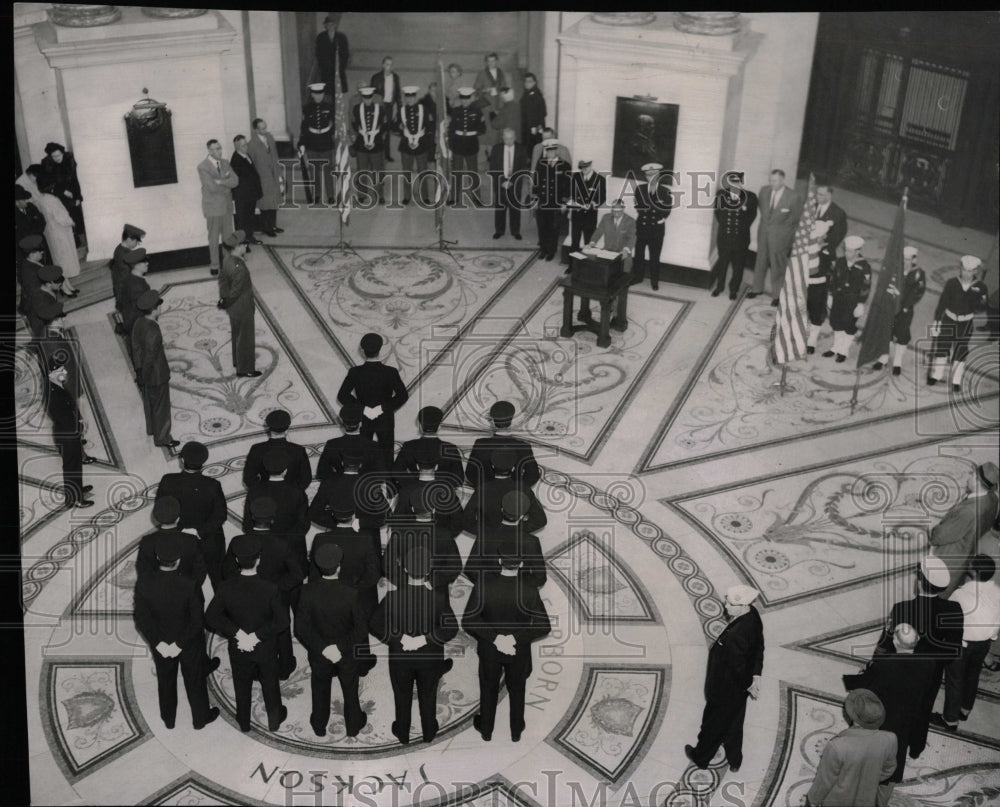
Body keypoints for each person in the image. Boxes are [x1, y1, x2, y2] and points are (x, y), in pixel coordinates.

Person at [876, 556, 964, 760]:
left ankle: (892, 747)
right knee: (923, 708)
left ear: (919, 582)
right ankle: (916, 747)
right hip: (930, 674)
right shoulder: (953, 610)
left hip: (900, 670)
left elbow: (886, 644)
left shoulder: (902, 609)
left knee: (895, 707)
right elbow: (954, 650)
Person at [462, 542, 551, 742]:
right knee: (517, 689)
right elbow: (544, 626)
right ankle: (516, 730)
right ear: (520, 564)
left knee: (488, 687)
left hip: (489, 650)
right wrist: (513, 638)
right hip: (518, 651)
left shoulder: (484, 584)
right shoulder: (529, 589)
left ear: (500, 561)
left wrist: (495, 638)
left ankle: (486, 730)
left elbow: (469, 620)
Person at [370, 546, 458, 744]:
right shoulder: (438, 598)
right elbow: (450, 628)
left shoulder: (392, 597)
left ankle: (402, 732)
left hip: (400, 658)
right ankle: (428, 731)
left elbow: (375, 624)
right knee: (428, 694)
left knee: (402, 694)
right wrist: (424, 639)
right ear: (428, 571)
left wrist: (399, 637)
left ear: (405, 570)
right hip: (430, 658)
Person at [133, 531, 219, 731]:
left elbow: (141, 619)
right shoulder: (189, 586)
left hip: (161, 643)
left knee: (166, 680)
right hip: (188, 642)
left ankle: (168, 719)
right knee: (195, 679)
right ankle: (201, 718)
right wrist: (179, 644)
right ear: (179, 560)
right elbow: (197, 621)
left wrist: (160, 643)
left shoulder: (144, 585)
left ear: (157, 558)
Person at [843, 623, 937, 802]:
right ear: (916, 641)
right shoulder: (929, 664)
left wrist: (853, 679)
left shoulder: (884, 665)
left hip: (882, 721)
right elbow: (925, 699)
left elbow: (867, 689)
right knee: (893, 767)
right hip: (906, 723)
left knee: (868, 761)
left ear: (895, 641)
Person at [206, 534, 289, 733]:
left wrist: (238, 634)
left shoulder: (225, 588)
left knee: (241, 683)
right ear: (259, 559)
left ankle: (243, 721)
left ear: (236, 561)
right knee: (270, 683)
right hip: (265, 647)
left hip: (238, 647)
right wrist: (257, 636)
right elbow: (283, 621)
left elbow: (210, 617)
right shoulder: (270, 588)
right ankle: (274, 720)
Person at [684, 585, 764, 772]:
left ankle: (701, 757)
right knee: (735, 723)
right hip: (739, 689)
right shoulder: (753, 615)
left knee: (712, 724)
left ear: (743, 606)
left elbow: (737, 668)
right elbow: (759, 647)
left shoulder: (737, 635)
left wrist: (746, 683)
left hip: (725, 689)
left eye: (730, 604)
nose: (725, 605)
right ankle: (735, 760)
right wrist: (755, 675)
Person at [223, 496, 303, 681]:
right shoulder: (282, 543)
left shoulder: (237, 542)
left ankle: (252, 668)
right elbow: (297, 575)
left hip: (245, 598)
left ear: (251, 517)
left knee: (248, 629)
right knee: (281, 632)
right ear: (273, 519)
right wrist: (277, 588)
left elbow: (226, 572)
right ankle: (284, 666)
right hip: (276, 597)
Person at [295, 543, 369, 738]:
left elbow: (301, 629)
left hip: (319, 653)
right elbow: (361, 629)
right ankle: (353, 726)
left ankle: (319, 724)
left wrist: (323, 648)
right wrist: (340, 647)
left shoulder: (306, 591)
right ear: (339, 566)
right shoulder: (351, 593)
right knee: (350, 689)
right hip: (346, 653)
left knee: (319, 687)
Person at [933, 555, 1000, 731]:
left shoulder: (961, 594)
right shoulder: (998, 593)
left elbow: (947, 619)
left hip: (962, 644)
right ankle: (965, 709)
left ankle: (950, 720)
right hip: (984, 643)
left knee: (955, 680)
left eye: (970, 566)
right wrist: (991, 639)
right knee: (972, 675)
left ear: (974, 572)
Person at [804, 689, 897, 807]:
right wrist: (867, 778)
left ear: (854, 718)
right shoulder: (890, 739)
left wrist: (811, 800)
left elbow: (824, 782)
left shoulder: (837, 746)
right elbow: (888, 769)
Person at [157, 441, 227, 588]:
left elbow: (162, 510)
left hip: (179, 541)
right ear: (204, 462)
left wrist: (181, 529)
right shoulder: (213, 485)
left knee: (186, 582)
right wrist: (199, 531)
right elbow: (221, 515)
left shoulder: (167, 481)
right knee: (219, 577)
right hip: (209, 541)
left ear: (182, 460)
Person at [926, 462, 999, 598]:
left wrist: (933, 532)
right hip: (970, 550)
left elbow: (940, 536)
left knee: (933, 590)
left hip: (951, 557)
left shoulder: (968, 511)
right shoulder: (993, 498)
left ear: (977, 480)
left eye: (972, 474)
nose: (968, 476)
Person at [337, 332, 408, 466]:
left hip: (363, 420)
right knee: (387, 459)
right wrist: (382, 408)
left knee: (363, 458)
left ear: (363, 350)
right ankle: (390, 487)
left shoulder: (355, 372)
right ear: (380, 349)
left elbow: (342, 396)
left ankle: (365, 486)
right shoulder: (390, 372)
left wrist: (362, 409)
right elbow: (402, 396)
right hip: (385, 420)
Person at [928, 255, 990, 390]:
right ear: (960, 269)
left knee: (960, 351)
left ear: (975, 272)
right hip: (948, 320)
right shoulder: (952, 283)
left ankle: (956, 380)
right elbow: (943, 302)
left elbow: (982, 308)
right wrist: (937, 320)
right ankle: (937, 375)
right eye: (964, 270)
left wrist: (981, 302)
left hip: (966, 323)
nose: (966, 273)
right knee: (942, 347)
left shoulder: (981, 287)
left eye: (970, 271)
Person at [464, 491, 547, 592]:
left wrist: (491, 584)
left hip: (490, 592)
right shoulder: (532, 541)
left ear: (502, 510)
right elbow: (540, 578)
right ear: (522, 516)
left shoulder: (485, 536)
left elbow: (470, 569)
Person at [132, 290, 179, 449]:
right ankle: (163, 438)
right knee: (161, 407)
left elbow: (136, 349)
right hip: (157, 375)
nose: (160, 309)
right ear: (154, 310)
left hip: (144, 373)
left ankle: (152, 429)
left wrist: (139, 373)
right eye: (158, 306)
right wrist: (144, 376)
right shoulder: (154, 330)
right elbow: (150, 358)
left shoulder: (139, 322)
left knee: (150, 403)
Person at [45, 357, 94, 509]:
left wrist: (79, 420)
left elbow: (70, 408)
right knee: (71, 465)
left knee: (75, 463)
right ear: (52, 373)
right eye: (61, 370)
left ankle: (76, 490)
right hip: (67, 435)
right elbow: (64, 418)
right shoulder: (53, 393)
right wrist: (78, 428)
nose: (65, 372)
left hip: (68, 432)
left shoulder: (57, 385)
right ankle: (75, 498)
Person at [463, 450, 547, 537]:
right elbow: (540, 520)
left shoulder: (482, 489)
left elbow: (465, 521)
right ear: (513, 468)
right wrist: (515, 529)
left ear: (492, 466)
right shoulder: (524, 489)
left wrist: (488, 533)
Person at [578, 199, 637, 323]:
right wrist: (592, 243)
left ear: (623, 209)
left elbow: (632, 238)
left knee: (618, 287)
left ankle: (616, 314)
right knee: (604, 282)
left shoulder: (630, 221)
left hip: (623, 257)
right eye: (613, 211)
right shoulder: (606, 218)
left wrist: (626, 250)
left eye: (618, 211)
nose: (615, 214)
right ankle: (608, 309)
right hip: (607, 254)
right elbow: (598, 232)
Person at [748, 169, 802, 304]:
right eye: (770, 180)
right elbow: (763, 211)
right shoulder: (764, 191)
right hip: (763, 234)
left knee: (778, 265)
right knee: (760, 261)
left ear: (783, 180)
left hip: (780, 238)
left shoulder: (793, 197)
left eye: (775, 180)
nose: (772, 183)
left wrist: (787, 239)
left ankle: (777, 295)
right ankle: (756, 288)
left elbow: (795, 220)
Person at [872, 246, 926, 374]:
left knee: (902, 334)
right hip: (891, 306)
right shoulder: (896, 269)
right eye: (903, 259)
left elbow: (918, 292)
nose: (905, 262)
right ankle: (883, 357)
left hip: (905, 309)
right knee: (887, 330)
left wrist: (906, 305)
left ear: (914, 259)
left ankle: (897, 361)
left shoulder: (918, 273)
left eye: (908, 259)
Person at [466, 401, 540, 489]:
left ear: (493, 422)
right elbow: (533, 475)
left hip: (486, 493)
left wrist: (486, 488)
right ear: (512, 421)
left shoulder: (480, 443)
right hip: (513, 496)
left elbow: (470, 473)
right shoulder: (523, 446)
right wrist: (516, 489)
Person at [135, 496, 208, 585]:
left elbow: (143, 573)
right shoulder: (191, 540)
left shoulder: (147, 541)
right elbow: (201, 571)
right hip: (189, 593)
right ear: (178, 518)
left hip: (158, 593)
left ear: (156, 517)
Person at [218, 231, 261, 378]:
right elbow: (236, 291)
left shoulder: (226, 259)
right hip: (243, 307)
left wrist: (224, 299)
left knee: (237, 334)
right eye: (244, 244)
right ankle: (245, 369)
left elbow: (222, 280)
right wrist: (228, 300)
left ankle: (237, 361)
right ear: (238, 246)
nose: (246, 246)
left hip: (233, 309)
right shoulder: (240, 267)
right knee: (246, 338)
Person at [823, 235, 871, 363]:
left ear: (858, 251)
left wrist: (861, 303)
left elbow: (866, 287)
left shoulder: (864, 267)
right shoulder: (839, 262)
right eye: (845, 250)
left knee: (848, 324)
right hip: (838, 297)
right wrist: (829, 295)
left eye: (850, 251)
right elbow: (832, 279)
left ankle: (844, 351)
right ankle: (835, 348)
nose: (846, 253)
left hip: (852, 301)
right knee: (836, 321)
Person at [392, 406, 464, 490]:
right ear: (440, 426)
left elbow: (396, 471)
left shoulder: (409, 446)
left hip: (413, 492)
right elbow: (459, 479)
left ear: (419, 426)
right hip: (440, 495)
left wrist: (415, 484)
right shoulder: (450, 448)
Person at [710, 171, 758, 300]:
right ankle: (719, 287)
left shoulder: (751, 197)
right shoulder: (721, 195)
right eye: (732, 183)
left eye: (737, 182)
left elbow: (751, 217)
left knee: (738, 266)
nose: (734, 186)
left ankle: (733, 290)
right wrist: (727, 226)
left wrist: (739, 228)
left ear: (741, 183)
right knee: (722, 263)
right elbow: (718, 214)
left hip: (740, 238)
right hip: (725, 236)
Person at [241, 450, 309, 538]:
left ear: (266, 469)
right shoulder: (298, 492)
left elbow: (247, 523)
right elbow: (304, 524)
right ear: (285, 471)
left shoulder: (254, 491)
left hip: (261, 542)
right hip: (289, 544)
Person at [243, 409, 312, 491]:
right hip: (292, 495)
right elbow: (306, 479)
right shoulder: (298, 450)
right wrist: (294, 492)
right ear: (287, 429)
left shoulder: (256, 449)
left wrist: (262, 492)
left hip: (265, 497)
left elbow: (248, 479)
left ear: (268, 428)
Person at [198, 139, 239, 277]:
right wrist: (226, 186)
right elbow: (211, 187)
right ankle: (214, 265)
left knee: (228, 236)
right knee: (214, 238)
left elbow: (235, 181)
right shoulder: (203, 167)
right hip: (213, 208)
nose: (219, 151)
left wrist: (221, 181)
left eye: (220, 148)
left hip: (226, 206)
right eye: (216, 149)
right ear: (209, 151)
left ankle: (227, 263)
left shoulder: (225, 163)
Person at [316, 403, 385, 480]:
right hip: (363, 489)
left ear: (343, 424)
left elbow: (321, 473)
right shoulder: (373, 446)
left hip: (340, 489)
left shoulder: (332, 444)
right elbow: (380, 475)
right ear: (361, 424)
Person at [37, 176, 80, 296]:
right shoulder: (51, 200)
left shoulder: (43, 198)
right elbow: (61, 217)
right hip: (60, 232)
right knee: (63, 261)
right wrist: (71, 221)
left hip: (53, 233)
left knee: (59, 260)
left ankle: (67, 286)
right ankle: (64, 289)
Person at [632, 163, 673, 290]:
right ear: (646, 177)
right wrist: (653, 209)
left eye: (654, 175)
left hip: (656, 229)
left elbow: (667, 209)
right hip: (642, 227)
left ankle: (654, 281)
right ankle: (637, 277)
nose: (651, 178)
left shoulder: (665, 191)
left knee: (655, 256)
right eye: (649, 175)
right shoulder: (640, 189)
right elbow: (639, 207)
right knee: (639, 255)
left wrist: (661, 217)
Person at [533, 139, 570, 262]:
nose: (550, 153)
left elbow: (567, 186)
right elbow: (536, 182)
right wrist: (535, 199)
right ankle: (543, 250)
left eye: (552, 150)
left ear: (556, 151)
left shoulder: (564, 166)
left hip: (556, 202)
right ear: (545, 151)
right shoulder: (541, 164)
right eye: (548, 151)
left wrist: (564, 202)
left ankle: (551, 251)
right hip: (543, 201)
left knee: (553, 228)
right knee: (542, 226)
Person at [488, 127, 529, 240]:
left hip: (515, 184)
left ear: (515, 138)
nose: (509, 141)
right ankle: (499, 230)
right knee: (500, 207)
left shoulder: (521, 149)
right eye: (506, 139)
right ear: (502, 138)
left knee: (515, 207)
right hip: (501, 183)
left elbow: (523, 168)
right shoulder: (496, 149)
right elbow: (493, 168)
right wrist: (502, 182)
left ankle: (515, 231)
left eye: (511, 139)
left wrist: (512, 182)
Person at [41, 142, 85, 245]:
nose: (56, 158)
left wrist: (78, 196)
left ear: (62, 153)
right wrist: (62, 191)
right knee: (65, 220)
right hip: (58, 198)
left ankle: (82, 242)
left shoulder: (69, 161)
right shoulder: (47, 165)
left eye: (58, 155)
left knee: (77, 219)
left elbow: (75, 180)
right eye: (53, 156)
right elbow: (45, 186)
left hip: (72, 195)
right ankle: (73, 244)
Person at [299, 83, 336, 205]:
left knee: (327, 171)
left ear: (323, 94)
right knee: (314, 171)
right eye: (316, 94)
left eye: (321, 94)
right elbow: (304, 127)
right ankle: (317, 195)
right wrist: (302, 143)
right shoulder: (307, 108)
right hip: (312, 144)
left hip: (326, 144)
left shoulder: (330, 107)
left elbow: (334, 125)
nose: (318, 96)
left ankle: (330, 195)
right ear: (312, 95)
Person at [246, 119, 284, 237]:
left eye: (265, 127)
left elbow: (275, 156)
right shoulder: (252, 144)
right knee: (265, 204)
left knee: (274, 202)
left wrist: (279, 174)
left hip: (273, 175)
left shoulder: (270, 138)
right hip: (263, 178)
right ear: (256, 130)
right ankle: (266, 228)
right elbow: (252, 164)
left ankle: (273, 225)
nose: (265, 130)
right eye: (262, 128)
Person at [398, 86, 434, 205]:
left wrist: (427, 142)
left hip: (421, 144)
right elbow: (394, 125)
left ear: (416, 97)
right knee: (406, 171)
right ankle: (407, 196)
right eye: (408, 97)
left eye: (412, 96)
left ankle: (425, 196)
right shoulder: (401, 110)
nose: (410, 99)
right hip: (406, 145)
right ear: (405, 97)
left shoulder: (423, 109)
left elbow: (429, 127)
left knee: (422, 171)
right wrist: (400, 128)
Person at [353, 86, 387, 204]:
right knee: (362, 170)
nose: (367, 100)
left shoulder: (380, 109)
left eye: (369, 97)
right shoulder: (356, 109)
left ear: (373, 97)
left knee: (377, 171)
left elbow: (384, 125)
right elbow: (354, 124)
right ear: (362, 97)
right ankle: (362, 194)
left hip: (376, 144)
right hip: (361, 144)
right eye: (365, 98)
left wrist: (376, 136)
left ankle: (379, 194)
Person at [229, 135, 263, 247]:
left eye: (246, 144)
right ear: (237, 147)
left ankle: (250, 237)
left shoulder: (245, 155)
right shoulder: (236, 160)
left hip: (250, 194)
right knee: (242, 218)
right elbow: (241, 180)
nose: (246, 147)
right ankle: (243, 243)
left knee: (250, 216)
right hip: (243, 196)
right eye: (243, 145)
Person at [448, 87, 486, 186]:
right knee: (456, 172)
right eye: (463, 98)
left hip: (471, 144)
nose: (464, 101)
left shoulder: (477, 111)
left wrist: (473, 132)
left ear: (470, 99)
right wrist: (451, 145)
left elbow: (482, 129)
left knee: (473, 172)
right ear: (460, 99)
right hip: (457, 144)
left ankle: (476, 197)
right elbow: (451, 129)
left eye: (467, 98)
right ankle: (455, 197)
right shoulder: (455, 111)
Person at [110, 224, 146, 325]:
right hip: (125, 290)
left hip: (121, 288)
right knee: (131, 314)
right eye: (136, 242)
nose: (137, 245)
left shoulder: (119, 249)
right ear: (129, 239)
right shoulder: (125, 255)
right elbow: (125, 278)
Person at [568, 159, 607, 254]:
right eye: (581, 167)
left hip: (590, 216)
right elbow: (572, 195)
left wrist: (594, 202)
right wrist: (570, 210)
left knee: (588, 242)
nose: (583, 169)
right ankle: (573, 266)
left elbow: (602, 197)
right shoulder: (576, 176)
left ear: (591, 165)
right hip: (577, 215)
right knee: (574, 241)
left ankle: (585, 267)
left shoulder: (600, 179)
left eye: (586, 167)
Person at [121, 249, 152, 359]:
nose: (147, 263)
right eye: (144, 262)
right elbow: (143, 306)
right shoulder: (137, 285)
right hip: (137, 321)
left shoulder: (133, 278)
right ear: (136, 265)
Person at [370, 56, 401, 163]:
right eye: (387, 64)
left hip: (389, 106)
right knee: (377, 128)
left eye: (391, 64)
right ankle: (375, 152)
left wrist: (399, 109)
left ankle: (387, 154)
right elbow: (372, 93)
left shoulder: (395, 77)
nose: (389, 67)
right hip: (379, 105)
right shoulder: (376, 77)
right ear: (383, 65)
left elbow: (397, 94)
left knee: (387, 130)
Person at [315, 13, 349, 94]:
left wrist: (340, 67)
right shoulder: (321, 37)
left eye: (332, 24)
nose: (330, 27)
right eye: (328, 25)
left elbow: (345, 54)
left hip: (339, 70)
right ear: (325, 26)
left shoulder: (341, 37)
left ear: (335, 25)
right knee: (327, 92)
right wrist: (324, 66)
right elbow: (318, 54)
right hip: (326, 71)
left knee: (339, 91)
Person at [17, 234, 47, 318]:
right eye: (40, 251)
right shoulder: (29, 271)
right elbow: (35, 292)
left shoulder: (31, 262)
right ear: (32, 254)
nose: (42, 252)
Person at [489, 87, 521, 154]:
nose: (501, 98)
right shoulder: (518, 105)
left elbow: (495, 124)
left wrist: (492, 115)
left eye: (501, 96)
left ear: (503, 96)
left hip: (506, 139)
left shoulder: (505, 108)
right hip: (517, 138)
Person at [520, 73, 546, 151]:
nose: (527, 83)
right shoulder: (526, 94)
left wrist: (536, 127)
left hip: (533, 128)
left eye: (529, 81)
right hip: (527, 127)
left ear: (534, 82)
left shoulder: (537, 96)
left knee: (533, 149)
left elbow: (542, 113)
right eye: (525, 81)